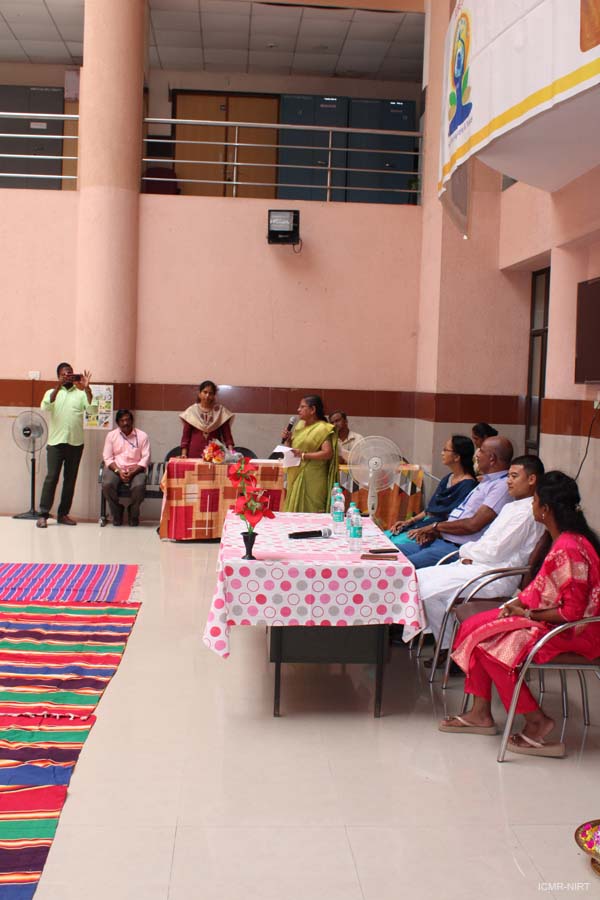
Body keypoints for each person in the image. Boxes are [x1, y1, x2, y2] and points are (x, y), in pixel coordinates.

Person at [439, 472, 600, 758]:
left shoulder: (570, 548)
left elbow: (572, 612)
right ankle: (480, 713)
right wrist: (519, 605)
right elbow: (547, 589)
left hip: (576, 633)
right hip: (555, 623)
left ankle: (536, 721)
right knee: (472, 627)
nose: (532, 506)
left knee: (490, 648)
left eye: (535, 501)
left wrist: (527, 611)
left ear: (546, 509)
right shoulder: (564, 539)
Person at [417, 455, 546, 665]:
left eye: (514, 476)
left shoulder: (528, 512)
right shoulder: (511, 507)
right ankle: (451, 646)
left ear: (532, 479)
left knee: (428, 590)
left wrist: (466, 552)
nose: (508, 481)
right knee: (419, 579)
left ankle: (453, 649)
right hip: (478, 565)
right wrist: (470, 554)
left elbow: (495, 551)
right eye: (509, 476)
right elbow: (487, 543)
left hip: (495, 576)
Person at [399, 436, 514, 568]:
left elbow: (473, 525)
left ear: (492, 458)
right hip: (441, 539)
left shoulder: (500, 486)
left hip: (456, 547)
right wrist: (435, 532)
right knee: (392, 552)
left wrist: (435, 527)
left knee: (400, 567)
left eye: (481, 451)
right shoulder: (486, 481)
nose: (477, 455)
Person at [385, 435, 477, 549]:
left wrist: (428, 529)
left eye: (445, 450)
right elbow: (430, 510)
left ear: (457, 457)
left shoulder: (468, 485)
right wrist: (408, 522)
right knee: (386, 536)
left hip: (435, 531)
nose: (442, 453)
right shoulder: (448, 478)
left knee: (393, 545)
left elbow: (452, 518)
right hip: (424, 523)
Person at [37, 363, 95, 528]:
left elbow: (92, 410)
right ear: (59, 376)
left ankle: (63, 514)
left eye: (70, 373)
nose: (68, 376)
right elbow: (46, 406)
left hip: (76, 444)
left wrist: (87, 389)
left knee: (70, 480)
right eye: (64, 374)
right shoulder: (51, 392)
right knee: (51, 478)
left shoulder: (81, 393)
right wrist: (58, 386)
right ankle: (43, 514)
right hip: (55, 444)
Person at [282, 395, 338, 513]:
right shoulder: (300, 425)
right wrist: (288, 440)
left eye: (302, 407)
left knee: (312, 510)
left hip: (313, 476)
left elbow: (327, 453)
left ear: (312, 410)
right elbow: (293, 450)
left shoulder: (323, 428)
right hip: (296, 472)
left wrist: (303, 455)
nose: (298, 410)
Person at [102, 410, 151, 526]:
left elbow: (146, 458)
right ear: (118, 423)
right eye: (122, 420)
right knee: (107, 484)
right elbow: (107, 457)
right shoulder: (111, 436)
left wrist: (133, 472)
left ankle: (133, 514)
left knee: (139, 486)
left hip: (136, 469)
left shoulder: (142, 436)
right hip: (116, 469)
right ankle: (117, 512)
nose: (125, 423)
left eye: (128, 420)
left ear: (132, 421)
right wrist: (118, 471)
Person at [179, 380, 234, 459]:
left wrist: (231, 453)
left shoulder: (220, 412)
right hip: (194, 454)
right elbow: (186, 437)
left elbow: (227, 436)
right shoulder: (191, 412)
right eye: (205, 392)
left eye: (211, 393)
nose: (207, 395)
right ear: (199, 394)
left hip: (216, 455)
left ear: (214, 395)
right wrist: (184, 454)